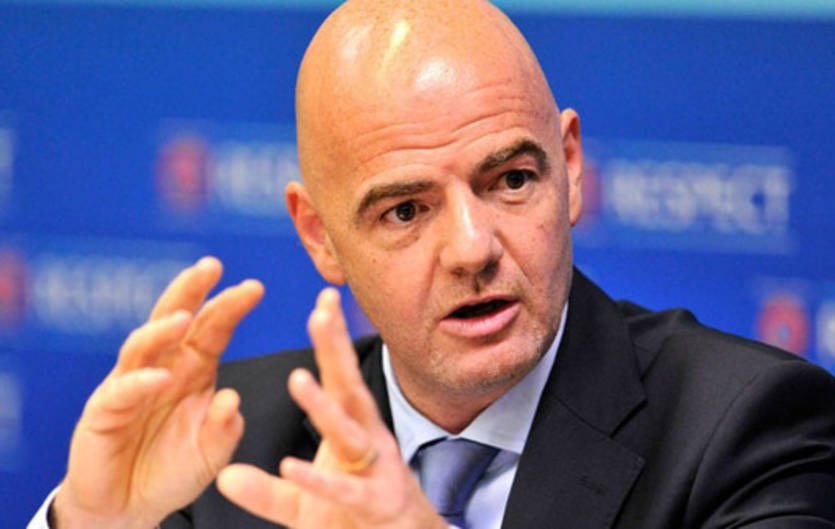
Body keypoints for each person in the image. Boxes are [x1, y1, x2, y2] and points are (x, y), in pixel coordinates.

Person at [30, 0, 835, 528]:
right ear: (319, 235)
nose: (473, 248)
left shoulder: (747, 428)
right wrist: (91, 522)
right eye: (405, 211)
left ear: (569, 167)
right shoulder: (226, 446)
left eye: (510, 180)